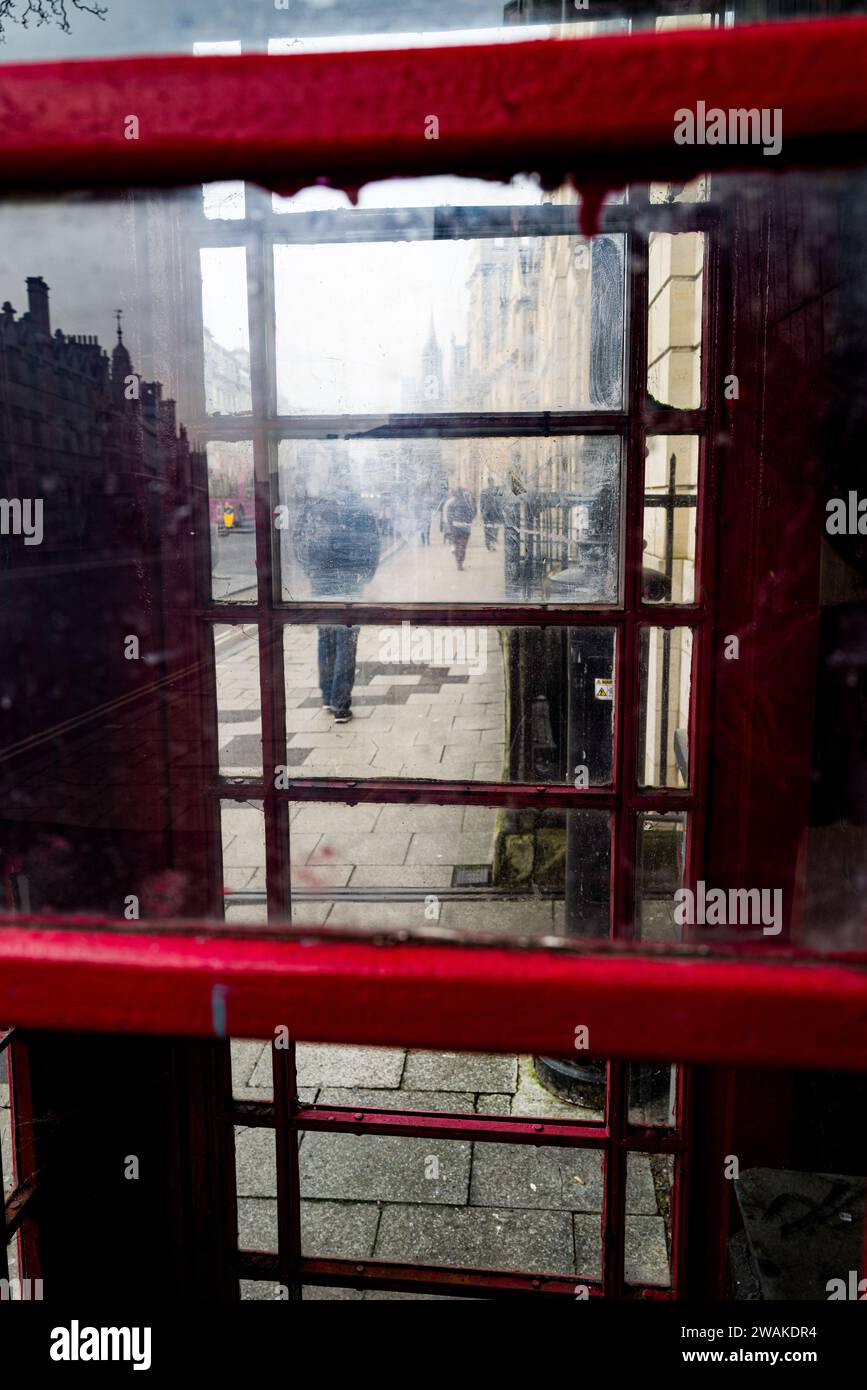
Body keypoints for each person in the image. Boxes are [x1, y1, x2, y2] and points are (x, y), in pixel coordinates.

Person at [293, 468, 380, 722]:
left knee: (326, 637)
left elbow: (299, 539)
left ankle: (327, 697)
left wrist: (310, 571)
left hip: (321, 581)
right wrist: (366, 575)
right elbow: (372, 543)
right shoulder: (360, 507)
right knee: (346, 641)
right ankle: (341, 705)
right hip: (351, 582)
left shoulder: (315, 506)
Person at [443, 485, 476, 571]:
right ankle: (460, 561)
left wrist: (451, 526)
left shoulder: (451, 504)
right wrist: (468, 522)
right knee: (463, 545)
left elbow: (449, 516)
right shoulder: (467, 503)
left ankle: (458, 561)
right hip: (465, 528)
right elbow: (472, 514)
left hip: (455, 528)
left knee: (457, 544)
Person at [480, 480, 505, 551]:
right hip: (494, 513)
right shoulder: (496, 491)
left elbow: (481, 503)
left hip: (488, 513)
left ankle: (489, 543)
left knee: (488, 529)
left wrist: (482, 512)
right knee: (494, 529)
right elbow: (500, 501)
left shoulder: (484, 491)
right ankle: (491, 543)